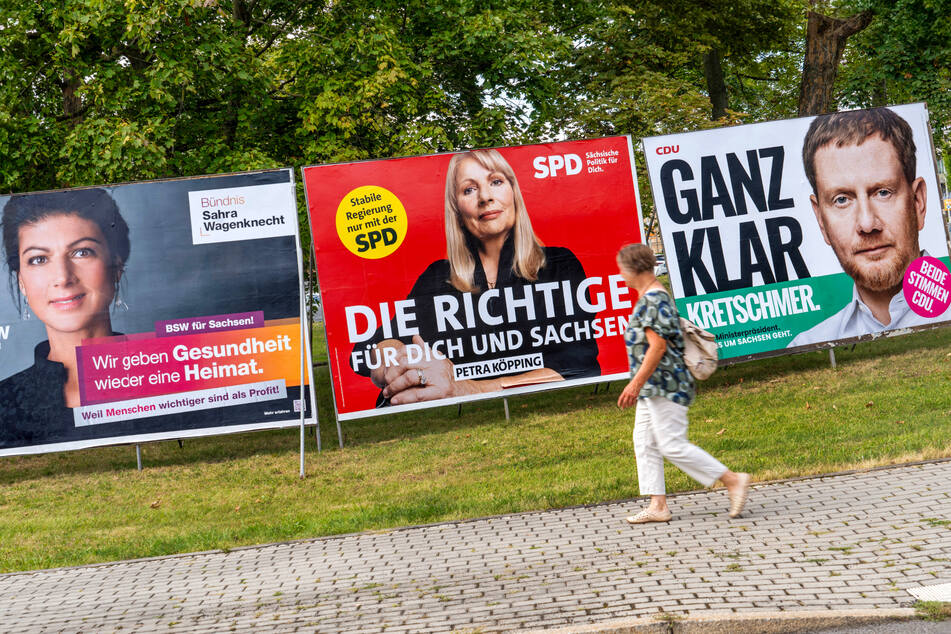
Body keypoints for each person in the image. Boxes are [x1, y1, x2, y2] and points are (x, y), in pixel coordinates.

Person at [352, 148, 600, 406]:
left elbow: (576, 366)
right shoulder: (438, 277)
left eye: (495, 182)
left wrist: (465, 390)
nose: (485, 197)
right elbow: (372, 347)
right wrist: (396, 359)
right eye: (469, 190)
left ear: (513, 192)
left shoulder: (558, 265)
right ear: (456, 208)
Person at [616, 243, 749, 523]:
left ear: (634, 269)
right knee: (644, 440)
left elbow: (657, 347)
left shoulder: (654, 300)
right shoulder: (651, 296)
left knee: (672, 445)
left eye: (622, 269)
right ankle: (658, 506)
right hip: (654, 386)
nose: (621, 275)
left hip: (665, 384)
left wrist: (635, 384)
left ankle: (732, 479)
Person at [789, 107, 930, 348]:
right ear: (821, 220)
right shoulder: (807, 347)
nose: (867, 224)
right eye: (841, 199)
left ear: (918, 202)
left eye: (883, 192)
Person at [0, 188, 130, 445]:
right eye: (38, 259)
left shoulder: (174, 379)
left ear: (116, 267)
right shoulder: (4, 404)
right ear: (21, 282)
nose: (62, 277)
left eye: (81, 252)